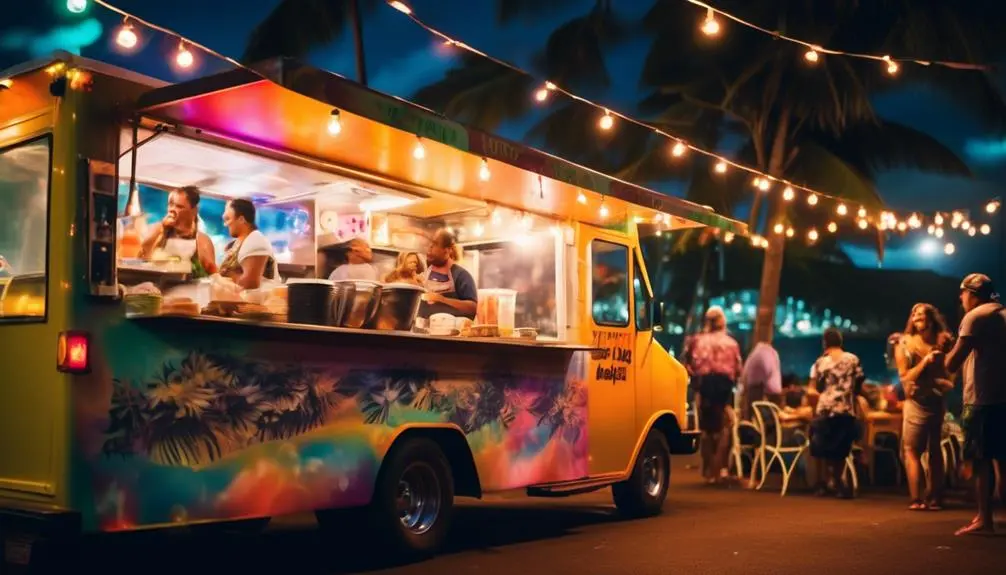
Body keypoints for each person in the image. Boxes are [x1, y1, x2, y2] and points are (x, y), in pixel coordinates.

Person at [943, 273, 1006, 535]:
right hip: (1003, 398)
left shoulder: (975, 317)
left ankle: (984, 518)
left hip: (981, 399)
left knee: (980, 461)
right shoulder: (1002, 314)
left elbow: (952, 363)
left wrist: (945, 352)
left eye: (963, 293)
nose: (961, 298)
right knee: (1002, 460)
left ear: (972, 294)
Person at [896, 303, 954, 511]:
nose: (917, 317)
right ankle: (917, 498)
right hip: (915, 403)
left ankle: (935, 497)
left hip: (936, 402)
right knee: (912, 450)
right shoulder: (905, 343)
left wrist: (943, 382)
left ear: (931, 319)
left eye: (921, 314)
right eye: (914, 314)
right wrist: (925, 362)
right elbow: (905, 378)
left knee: (934, 450)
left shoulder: (944, 341)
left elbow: (951, 374)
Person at [681, 306, 742, 484]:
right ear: (723, 321)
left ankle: (707, 470)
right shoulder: (732, 343)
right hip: (724, 389)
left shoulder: (696, 341)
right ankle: (718, 468)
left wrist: (696, 381)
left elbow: (686, 364)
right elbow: (738, 370)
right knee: (724, 427)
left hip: (704, 387)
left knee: (706, 430)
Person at [808, 327, 864, 499]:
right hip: (846, 410)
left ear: (825, 343)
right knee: (841, 449)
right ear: (841, 342)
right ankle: (839, 482)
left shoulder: (820, 363)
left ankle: (821, 483)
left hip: (825, 409)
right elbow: (859, 383)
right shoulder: (853, 359)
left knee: (819, 446)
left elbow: (816, 388)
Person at [139, 186, 216, 278]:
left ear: (194, 210)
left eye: (179, 206)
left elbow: (212, 273)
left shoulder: (201, 240)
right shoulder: (158, 230)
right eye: (170, 205)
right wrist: (162, 229)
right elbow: (142, 254)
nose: (172, 209)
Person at [219, 198, 278, 290]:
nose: (225, 224)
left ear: (241, 219)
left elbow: (250, 283)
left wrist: (227, 274)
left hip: (259, 298)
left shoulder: (256, 240)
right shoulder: (236, 243)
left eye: (228, 219)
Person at [418, 228, 477, 320]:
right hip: (423, 328)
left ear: (447, 250)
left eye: (435, 244)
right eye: (430, 243)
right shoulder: (423, 276)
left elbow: (473, 308)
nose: (430, 247)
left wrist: (442, 300)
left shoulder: (461, 276)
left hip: (452, 328)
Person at [739, 340, 782, 421]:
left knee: (754, 416)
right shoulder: (771, 353)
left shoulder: (754, 354)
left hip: (757, 391)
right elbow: (768, 370)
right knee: (770, 419)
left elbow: (744, 377)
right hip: (769, 393)